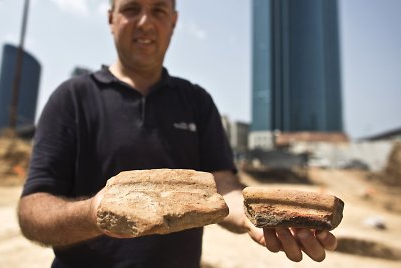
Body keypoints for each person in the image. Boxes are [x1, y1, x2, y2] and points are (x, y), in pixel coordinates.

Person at [17, 0, 338, 267]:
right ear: (111, 18)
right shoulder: (72, 98)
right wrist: (94, 213)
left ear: (174, 21)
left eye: (158, 10)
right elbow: (33, 211)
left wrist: (256, 217)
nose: (145, 22)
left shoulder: (196, 101)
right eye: (131, 8)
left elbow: (222, 188)